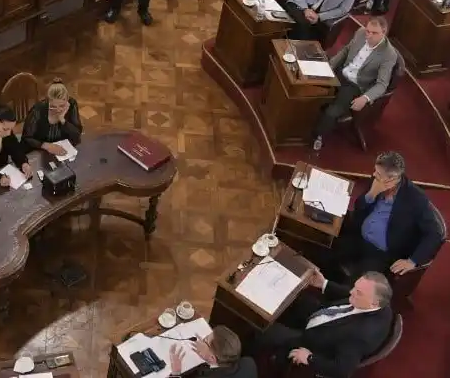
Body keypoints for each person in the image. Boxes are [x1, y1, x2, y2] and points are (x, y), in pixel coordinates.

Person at [324, 152, 442, 281]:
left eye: (379, 175)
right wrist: (371, 194)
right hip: (358, 236)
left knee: (357, 284)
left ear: (391, 180)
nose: (374, 175)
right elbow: (359, 208)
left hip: (381, 253)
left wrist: (412, 261)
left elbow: (435, 233)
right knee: (324, 252)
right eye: (375, 171)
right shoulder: (376, 180)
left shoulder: (415, 199)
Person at [259, 270, 393, 378]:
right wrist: (324, 284)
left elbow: (341, 370)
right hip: (323, 316)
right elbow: (349, 293)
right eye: (355, 287)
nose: (351, 292)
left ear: (374, 303)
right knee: (297, 297)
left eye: (358, 293)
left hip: (311, 341)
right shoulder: (379, 303)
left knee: (267, 331)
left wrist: (310, 358)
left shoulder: (359, 337)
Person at [311, 17, 399, 151]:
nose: (368, 35)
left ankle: (318, 136)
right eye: (368, 31)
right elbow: (346, 50)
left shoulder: (389, 54)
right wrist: (330, 65)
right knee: (311, 87)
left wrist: (365, 98)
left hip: (355, 85)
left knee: (332, 112)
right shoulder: (360, 33)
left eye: (374, 33)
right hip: (341, 72)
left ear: (384, 32)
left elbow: (382, 84)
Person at [168, 326, 256, 378]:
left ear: (212, 358)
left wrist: (176, 373)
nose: (201, 340)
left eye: (205, 340)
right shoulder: (248, 363)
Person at [22, 79, 83, 153]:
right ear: (48, 101)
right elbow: (27, 137)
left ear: (67, 100)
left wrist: (62, 120)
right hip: (39, 150)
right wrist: (46, 146)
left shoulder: (72, 104)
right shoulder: (38, 109)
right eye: (53, 106)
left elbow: (77, 134)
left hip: (62, 150)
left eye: (62, 106)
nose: (58, 110)